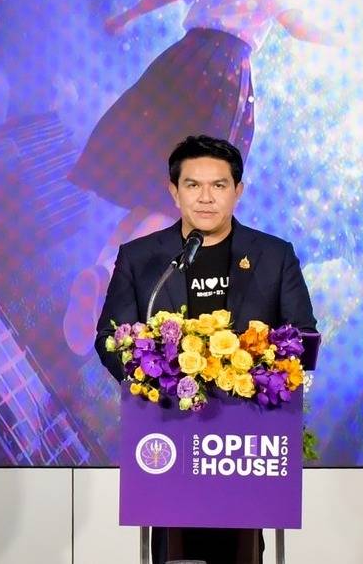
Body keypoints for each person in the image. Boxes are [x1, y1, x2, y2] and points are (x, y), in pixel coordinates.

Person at [65, 0, 339, 355]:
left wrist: (126, 16)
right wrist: (339, 37)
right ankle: (111, 277)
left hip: (179, 64)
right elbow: (296, 25)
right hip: (223, 81)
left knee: (152, 186)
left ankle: (102, 270)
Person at [94, 135, 318, 564]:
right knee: (175, 551)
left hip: (244, 444)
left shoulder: (273, 256)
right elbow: (111, 337)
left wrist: (257, 373)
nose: (206, 197)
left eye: (219, 185)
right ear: (173, 192)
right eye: (193, 185)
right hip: (168, 434)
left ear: (238, 191)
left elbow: (302, 337)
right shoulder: (141, 258)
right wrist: (153, 381)